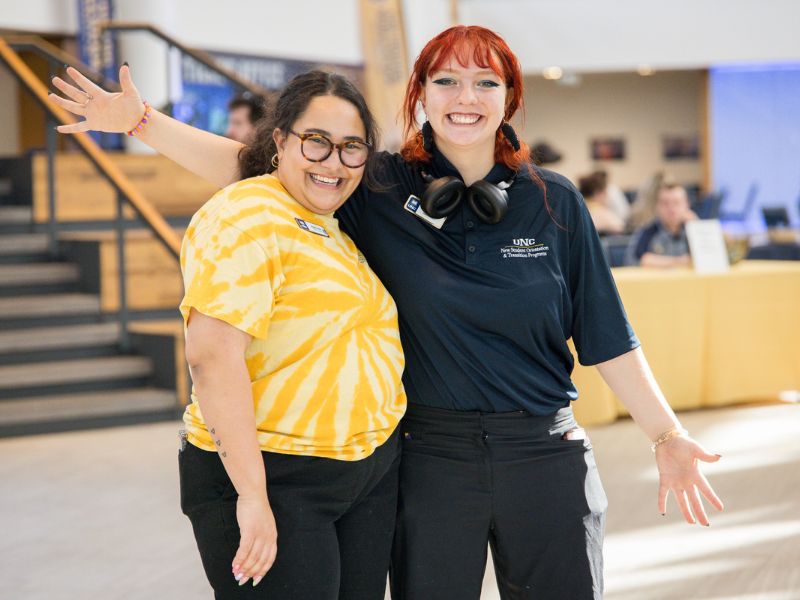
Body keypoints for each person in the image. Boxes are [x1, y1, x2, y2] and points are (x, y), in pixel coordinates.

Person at [51, 26, 723, 600]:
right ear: (419, 95)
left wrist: (665, 436)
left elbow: (607, 335)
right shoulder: (378, 186)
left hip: (544, 455)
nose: (466, 98)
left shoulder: (555, 204)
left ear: (510, 99)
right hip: (429, 459)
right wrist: (142, 123)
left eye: (486, 83)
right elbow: (261, 168)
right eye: (447, 82)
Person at [69, 69, 406, 599]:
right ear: (279, 139)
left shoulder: (329, 220)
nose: (332, 161)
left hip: (362, 471)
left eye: (351, 147)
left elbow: (246, 165)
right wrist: (252, 495)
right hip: (276, 477)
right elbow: (212, 358)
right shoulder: (246, 216)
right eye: (316, 141)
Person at [626, 183, 697, 267]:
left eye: (676, 202)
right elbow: (639, 260)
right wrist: (679, 261)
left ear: (687, 204)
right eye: (665, 203)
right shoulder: (648, 230)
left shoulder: (693, 227)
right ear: (657, 206)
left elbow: (709, 257)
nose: (671, 208)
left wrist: (697, 226)